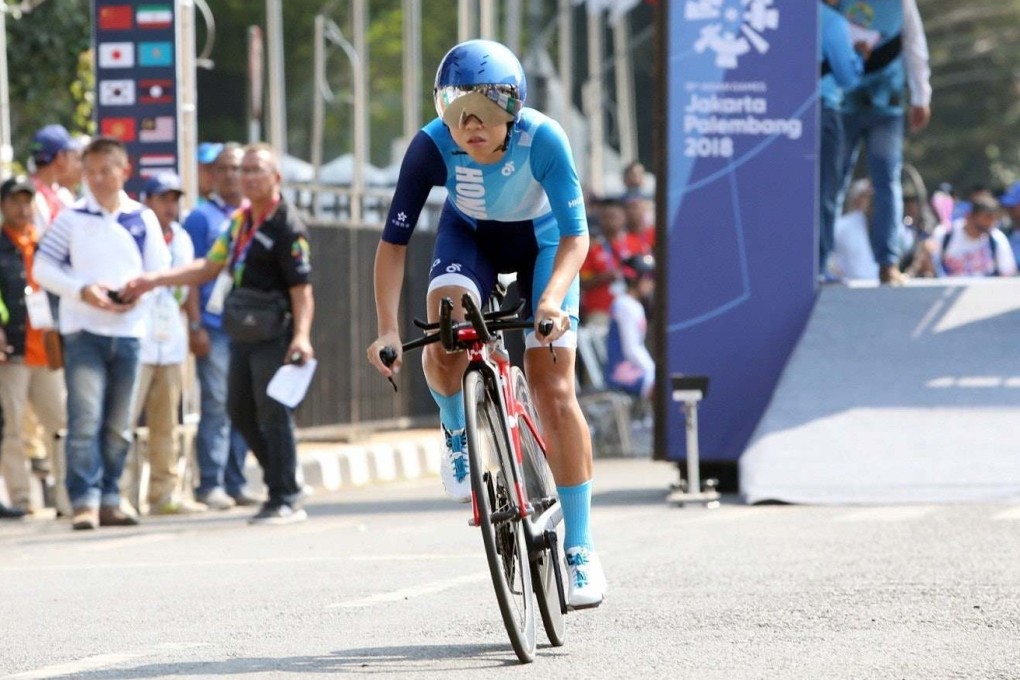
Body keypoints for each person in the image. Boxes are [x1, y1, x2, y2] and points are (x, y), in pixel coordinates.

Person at [364, 39, 606, 609]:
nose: (469, 126)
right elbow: (393, 244)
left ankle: (580, 548)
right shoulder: (431, 145)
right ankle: (456, 430)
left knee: (553, 384)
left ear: (512, 109)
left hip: (543, 243)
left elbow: (576, 238)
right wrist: (386, 328)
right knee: (446, 325)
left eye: (483, 112)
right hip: (469, 235)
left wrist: (550, 303)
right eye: (457, 112)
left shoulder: (544, 138)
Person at [122, 143, 315, 525]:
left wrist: (302, 336)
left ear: (275, 178)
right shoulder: (240, 222)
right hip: (242, 330)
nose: (248, 177)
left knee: (274, 412)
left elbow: (302, 289)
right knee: (239, 410)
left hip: (275, 332)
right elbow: (208, 268)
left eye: (257, 170)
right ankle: (283, 481)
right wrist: (154, 279)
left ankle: (284, 497)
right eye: (245, 170)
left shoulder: (287, 224)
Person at [33, 137, 171, 531]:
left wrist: (134, 297)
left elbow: (159, 274)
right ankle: (84, 500)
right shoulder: (71, 217)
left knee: (119, 424)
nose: (97, 179)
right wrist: (82, 290)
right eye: (90, 171)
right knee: (85, 418)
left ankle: (111, 496)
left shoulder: (142, 218)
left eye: (105, 170)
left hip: (129, 333)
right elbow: (43, 268)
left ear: (124, 171)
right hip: (83, 332)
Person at [123, 172, 207, 515]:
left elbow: (190, 286)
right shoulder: (132, 232)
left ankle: (163, 493)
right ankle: (122, 495)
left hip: (170, 339)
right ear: (147, 201)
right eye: (163, 199)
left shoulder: (182, 238)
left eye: (174, 199)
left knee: (166, 423)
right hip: (137, 338)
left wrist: (195, 325)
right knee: (124, 421)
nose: (170, 206)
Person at [182, 142, 257, 510]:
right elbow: (191, 276)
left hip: (248, 325)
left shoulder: (254, 216)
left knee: (244, 403)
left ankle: (236, 481)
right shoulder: (200, 218)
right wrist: (195, 324)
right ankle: (210, 482)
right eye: (223, 168)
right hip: (213, 325)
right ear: (211, 175)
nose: (231, 175)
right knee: (216, 403)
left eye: (237, 168)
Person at [836, 0, 932, 285]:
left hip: (887, 106)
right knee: (833, 183)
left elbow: (914, 45)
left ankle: (888, 264)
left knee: (887, 183)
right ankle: (817, 261)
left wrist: (921, 97)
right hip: (841, 104)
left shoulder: (900, 3)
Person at [0, 176, 68, 516]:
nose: (22, 208)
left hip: (46, 347)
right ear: (2, 206)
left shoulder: (45, 245)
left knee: (60, 425)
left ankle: (68, 497)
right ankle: (21, 499)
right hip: (12, 351)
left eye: (27, 201)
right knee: (12, 427)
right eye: (14, 201)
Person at [819, 0, 863, 279]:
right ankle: (817, 265)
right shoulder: (831, 21)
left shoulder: (775, 13)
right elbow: (847, 77)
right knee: (825, 192)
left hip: (775, 114)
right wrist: (858, 56)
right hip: (822, 112)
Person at [580, 197, 639, 326]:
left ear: (624, 217)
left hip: (632, 309)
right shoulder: (592, 247)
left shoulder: (635, 243)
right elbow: (582, 282)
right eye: (604, 217)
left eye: (613, 216)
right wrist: (603, 277)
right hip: (600, 311)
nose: (609, 221)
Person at [605, 254, 655, 401]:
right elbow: (631, 349)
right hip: (621, 371)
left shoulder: (633, 304)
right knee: (662, 389)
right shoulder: (624, 305)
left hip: (634, 367)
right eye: (648, 277)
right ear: (635, 279)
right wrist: (652, 369)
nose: (652, 283)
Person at [932, 196, 1017, 278]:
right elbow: (933, 268)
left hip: (987, 287)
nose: (991, 222)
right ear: (969, 216)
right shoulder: (945, 234)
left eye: (994, 218)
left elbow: (1007, 273)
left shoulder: (996, 238)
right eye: (987, 217)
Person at [29, 124, 82, 234]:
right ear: (60, 157)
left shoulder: (61, 194)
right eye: (71, 153)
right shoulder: (29, 197)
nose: (73, 159)